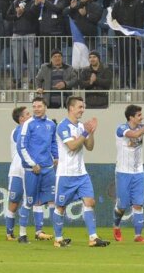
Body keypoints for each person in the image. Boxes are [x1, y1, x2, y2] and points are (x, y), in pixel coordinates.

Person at [51, 96, 109, 248]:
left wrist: (91, 133)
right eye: (80, 107)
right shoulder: (63, 126)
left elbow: (89, 147)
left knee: (90, 202)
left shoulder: (82, 126)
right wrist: (85, 133)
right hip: (65, 174)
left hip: (81, 173)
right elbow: (71, 146)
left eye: (83, 107)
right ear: (71, 108)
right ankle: (58, 239)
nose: (82, 110)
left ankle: (93, 237)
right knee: (60, 207)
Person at [112, 105, 144, 242]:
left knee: (138, 204)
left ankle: (138, 235)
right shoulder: (122, 129)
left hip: (138, 172)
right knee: (122, 206)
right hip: (123, 172)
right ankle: (116, 225)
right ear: (131, 117)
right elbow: (135, 135)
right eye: (139, 115)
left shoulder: (142, 127)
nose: (141, 117)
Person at [17, 96, 58, 242]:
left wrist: (56, 156)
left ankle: (55, 235)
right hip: (32, 170)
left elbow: (53, 142)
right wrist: (32, 163)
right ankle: (22, 234)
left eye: (39, 106)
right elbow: (21, 146)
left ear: (45, 107)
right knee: (29, 201)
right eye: (34, 106)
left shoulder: (51, 125)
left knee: (50, 200)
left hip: (48, 168)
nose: (36, 109)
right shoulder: (28, 124)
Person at [5, 106, 30, 242]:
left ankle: (35, 231)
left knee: (32, 201)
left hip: (29, 170)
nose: (30, 115)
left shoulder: (30, 129)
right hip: (17, 171)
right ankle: (9, 233)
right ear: (21, 119)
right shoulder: (17, 131)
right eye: (27, 114)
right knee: (14, 203)